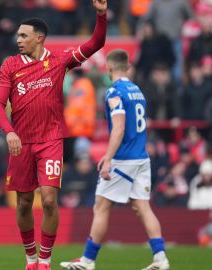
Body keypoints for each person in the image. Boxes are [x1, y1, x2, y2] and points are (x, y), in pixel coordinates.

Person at [0, 1, 107, 269]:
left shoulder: (58, 61)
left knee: (49, 199)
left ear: (39, 38)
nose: (18, 39)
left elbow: (96, 44)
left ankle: (44, 260)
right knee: (23, 203)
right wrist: (9, 132)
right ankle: (30, 258)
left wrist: (101, 15)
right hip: (20, 142)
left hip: (51, 140)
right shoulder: (10, 65)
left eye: (23, 35)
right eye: (18, 35)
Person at [60, 50, 170, 270]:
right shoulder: (137, 91)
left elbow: (118, 128)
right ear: (127, 67)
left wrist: (108, 158)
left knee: (101, 206)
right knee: (142, 207)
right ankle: (160, 259)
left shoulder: (114, 92)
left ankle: (88, 261)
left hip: (123, 159)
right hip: (141, 157)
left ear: (108, 68)